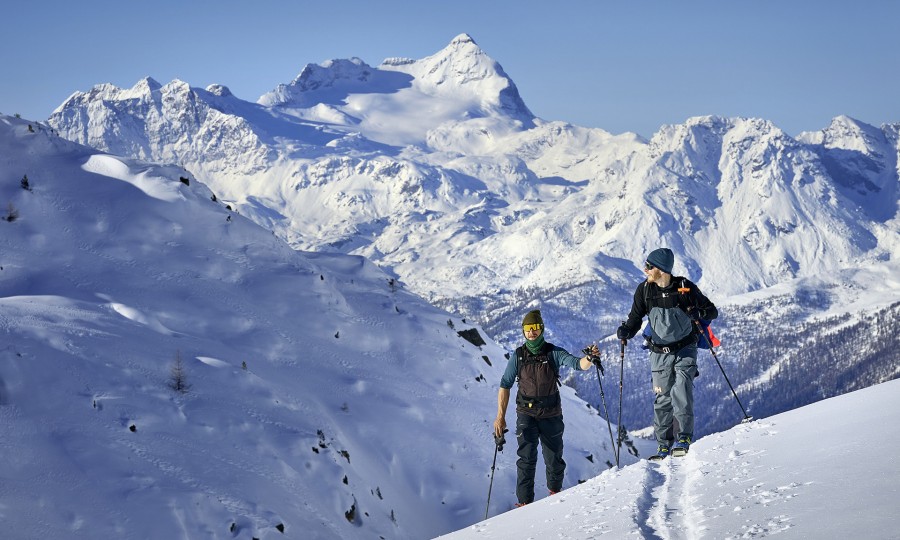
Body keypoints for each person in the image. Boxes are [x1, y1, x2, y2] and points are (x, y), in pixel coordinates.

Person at [616, 248, 718, 460]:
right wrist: (627, 330)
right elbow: (635, 319)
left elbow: (712, 311)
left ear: (660, 269)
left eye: (649, 266)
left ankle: (684, 438)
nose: (645, 269)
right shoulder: (644, 291)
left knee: (681, 390)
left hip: (685, 348)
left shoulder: (684, 288)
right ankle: (663, 444)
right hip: (659, 352)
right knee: (663, 397)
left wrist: (698, 313)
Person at [493, 309, 598, 506]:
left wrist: (590, 359)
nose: (531, 332)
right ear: (523, 331)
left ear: (541, 329)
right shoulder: (518, 356)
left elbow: (577, 364)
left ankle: (555, 495)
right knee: (526, 458)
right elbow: (505, 385)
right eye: (527, 328)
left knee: (553, 457)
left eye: (535, 328)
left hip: (551, 413)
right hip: (526, 413)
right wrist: (500, 416)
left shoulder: (553, 352)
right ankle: (524, 503)